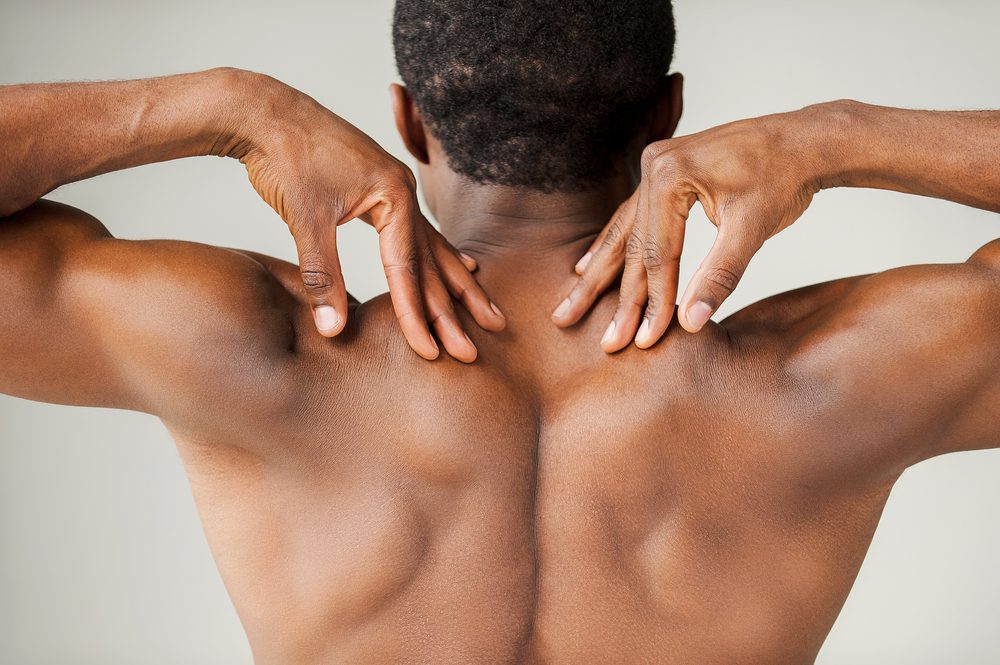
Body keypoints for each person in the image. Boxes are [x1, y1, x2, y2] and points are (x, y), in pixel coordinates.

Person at [1, 1, 997, 663]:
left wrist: (225, 107)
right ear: (668, 116)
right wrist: (834, 135)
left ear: (407, 120)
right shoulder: (821, 379)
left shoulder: (258, 352)